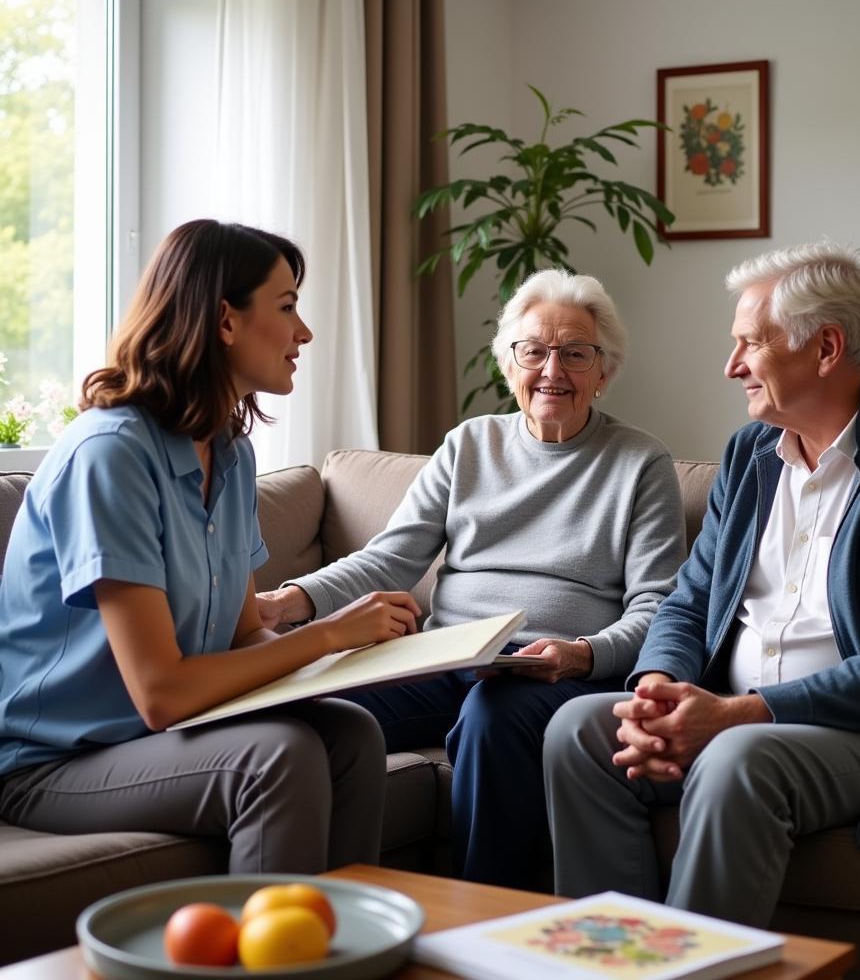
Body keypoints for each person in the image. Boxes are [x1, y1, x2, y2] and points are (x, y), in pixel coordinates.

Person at [543, 242, 860, 927]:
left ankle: (697, 977)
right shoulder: (748, 456)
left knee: (738, 759)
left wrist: (739, 713)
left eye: (749, 344)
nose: (731, 366)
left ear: (825, 348)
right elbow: (688, 602)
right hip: (735, 712)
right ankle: (613, 960)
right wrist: (656, 689)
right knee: (577, 731)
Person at [0, 219, 420, 874]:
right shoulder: (110, 455)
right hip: (52, 761)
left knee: (352, 733)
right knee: (277, 755)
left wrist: (357, 660)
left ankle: (342, 947)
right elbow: (162, 693)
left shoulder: (230, 453)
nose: (303, 332)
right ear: (226, 321)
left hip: (157, 739)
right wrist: (328, 635)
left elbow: (244, 636)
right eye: (286, 308)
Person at [257, 267, 685, 891]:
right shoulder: (468, 446)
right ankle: (310, 906)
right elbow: (389, 558)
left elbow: (658, 604)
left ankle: (484, 914)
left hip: (549, 670)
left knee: (493, 712)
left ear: (605, 370)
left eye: (575, 354)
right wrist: (290, 601)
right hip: (445, 655)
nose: (552, 371)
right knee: (314, 707)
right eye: (534, 351)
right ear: (509, 364)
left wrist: (582, 654)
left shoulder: (640, 463)